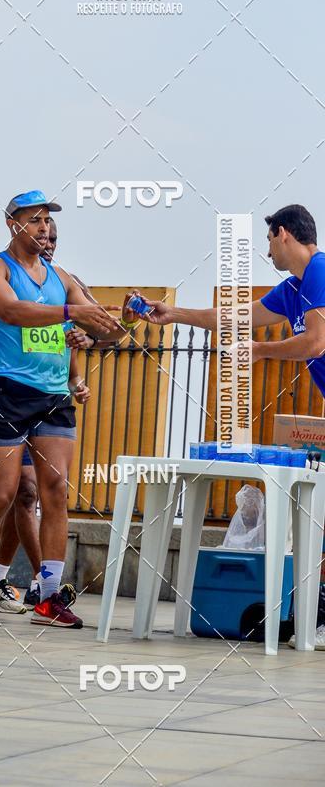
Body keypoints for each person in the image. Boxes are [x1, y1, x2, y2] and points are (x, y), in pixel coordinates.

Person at [128, 203, 325, 648]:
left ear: (282, 234)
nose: (266, 249)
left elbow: (316, 341)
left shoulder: (319, 270)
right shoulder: (294, 288)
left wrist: (259, 350)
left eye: (268, 239)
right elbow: (235, 319)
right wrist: (173, 314)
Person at [0, 190, 120, 626]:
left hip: (54, 399)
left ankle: (49, 597)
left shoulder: (62, 276)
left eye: (49, 220)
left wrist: (97, 333)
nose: (45, 227)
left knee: (54, 492)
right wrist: (71, 311)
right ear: (13, 224)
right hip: (8, 392)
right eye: (36, 219)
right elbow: (12, 311)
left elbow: (107, 330)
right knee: (5, 493)